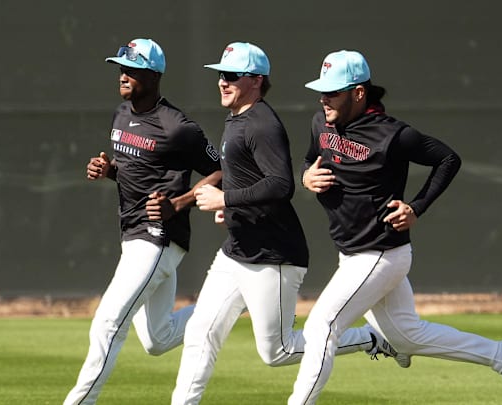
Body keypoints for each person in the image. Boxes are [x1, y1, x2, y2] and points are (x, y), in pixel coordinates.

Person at [289, 50, 502, 405]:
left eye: (333, 92)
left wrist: (416, 207)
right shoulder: (321, 123)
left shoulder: (392, 134)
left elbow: (448, 159)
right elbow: (311, 159)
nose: (324, 99)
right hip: (352, 253)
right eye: (321, 91)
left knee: (321, 327)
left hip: (380, 252)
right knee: (406, 337)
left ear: (358, 93)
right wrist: (305, 176)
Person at [170, 42, 396, 405]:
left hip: (273, 255)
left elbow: (281, 184)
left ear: (256, 81)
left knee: (278, 351)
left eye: (230, 76)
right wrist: (233, 209)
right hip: (237, 250)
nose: (222, 83)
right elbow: (253, 182)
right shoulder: (238, 117)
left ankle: (372, 337)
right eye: (220, 76)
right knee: (200, 331)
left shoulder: (261, 123)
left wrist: (224, 198)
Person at [63, 38, 222, 405]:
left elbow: (221, 172)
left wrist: (180, 202)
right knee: (157, 339)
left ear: (153, 75)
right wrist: (109, 170)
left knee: (108, 322)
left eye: (132, 69)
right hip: (132, 233)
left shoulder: (178, 126)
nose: (123, 74)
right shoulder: (121, 113)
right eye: (121, 67)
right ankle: (235, 298)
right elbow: (137, 169)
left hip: (158, 238)